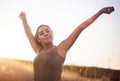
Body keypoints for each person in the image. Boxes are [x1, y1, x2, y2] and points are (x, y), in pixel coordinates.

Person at [19, 6, 114, 81]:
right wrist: (24, 19)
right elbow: (28, 33)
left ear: (52, 33)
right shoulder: (38, 50)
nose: (46, 34)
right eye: (41, 33)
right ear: (38, 39)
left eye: (48, 31)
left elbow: (80, 28)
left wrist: (100, 12)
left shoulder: (61, 49)